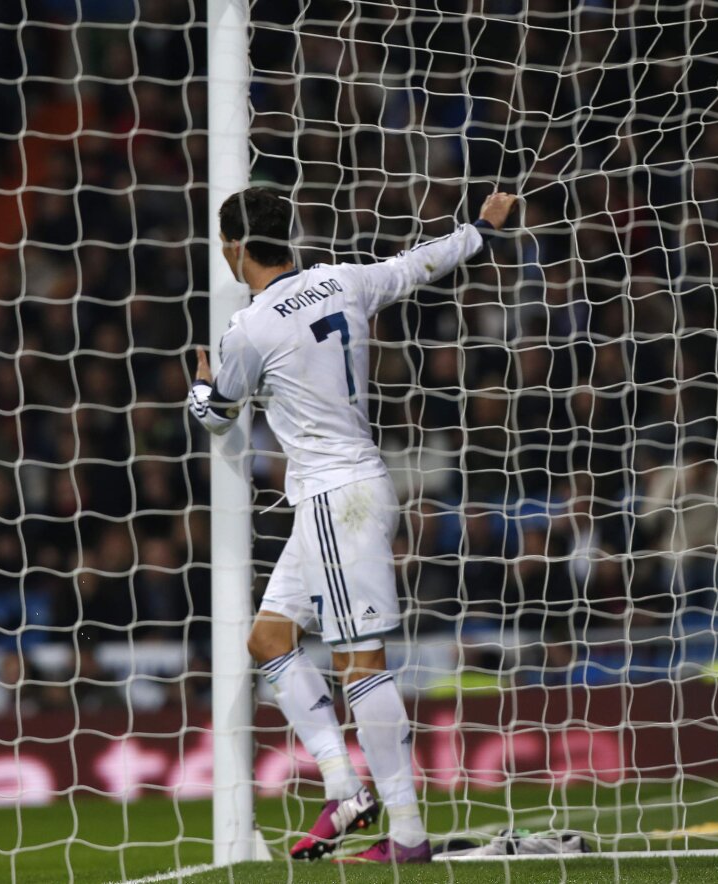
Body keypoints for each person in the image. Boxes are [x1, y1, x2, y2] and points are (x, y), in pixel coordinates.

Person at [188, 186, 517, 864]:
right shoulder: (342, 280)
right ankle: (344, 787)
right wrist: (480, 231)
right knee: (269, 640)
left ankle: (407, 835)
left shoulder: (248, 329)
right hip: (343, 495)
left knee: (361, 665)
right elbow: (419, 263)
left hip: (338, 500)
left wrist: (198, 388)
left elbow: (220, 414)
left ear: (233, 248)